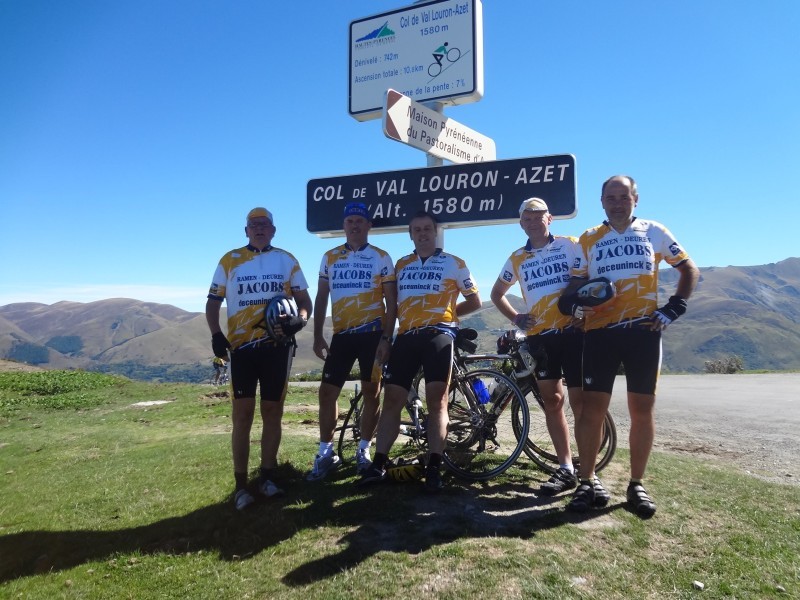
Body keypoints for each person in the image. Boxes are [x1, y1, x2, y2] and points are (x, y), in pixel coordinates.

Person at [562, 175, 699, 518]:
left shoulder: (654, 231)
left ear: (635, 199)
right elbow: (571, 292)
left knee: (642, 410)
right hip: (600, 334)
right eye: (611, 197)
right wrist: (577, 307)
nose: (618, 202)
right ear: (602, 201)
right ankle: (587, 481)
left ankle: (636, 483)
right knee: (591, 411)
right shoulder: (589, 238)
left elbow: (689, 269)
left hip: (643, 332)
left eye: (624, 196)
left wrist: (674, 307)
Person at [360, 211, 481, 492]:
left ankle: (435, 466)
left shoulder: (454, 263)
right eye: (417, 229)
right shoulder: (401, 264)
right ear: (410, 234)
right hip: (406, 337)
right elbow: (391, 305)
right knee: (392, 400)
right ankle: (378, 463)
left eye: (427, 228)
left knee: (437, 401)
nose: (423, 233)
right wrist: (386, 339)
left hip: (438, 335)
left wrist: (448, 316)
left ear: (435, 232)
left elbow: (474, 301)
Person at [206, 207, 313, 511]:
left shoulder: (287, 259)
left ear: (274, 230)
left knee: (272, 412)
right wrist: (216, 334)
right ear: (246, 231)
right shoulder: (230, 260)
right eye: (254, 225)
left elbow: (304, 301)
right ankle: (241, 486)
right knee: (241, 416)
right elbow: (213, 302)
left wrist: (301, 320)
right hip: (242, 350)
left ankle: (267, 476)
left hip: (277, 348)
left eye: (265, 225)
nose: (260, 229)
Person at [490, 197, 586, 497]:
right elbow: (497, 293)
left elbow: (590, 280)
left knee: (581, 403)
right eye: (526, 218)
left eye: (538, 216)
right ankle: (567, 469)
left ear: (550, 218)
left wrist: (585, 313)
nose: (532, 221)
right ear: (521, 223)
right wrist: (517, 317)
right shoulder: (517, 257)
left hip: (572, 333)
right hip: (540, 337)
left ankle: (589, 474)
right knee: (553, 402)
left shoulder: (571, 245)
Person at [305, 202, 397, 481]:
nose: (354, 225)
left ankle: (364, 450)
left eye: (360, 220)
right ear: (343, 225)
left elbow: (392, 302)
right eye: (350, 221)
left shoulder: (381, 257)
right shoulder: (329, 257)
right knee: (326, 392)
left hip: (372, 335)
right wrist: (318, 333)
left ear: (369, 225)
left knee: (372, 392)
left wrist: (386, 337)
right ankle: (326, 452)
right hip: (342, 336)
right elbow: (322, 297)